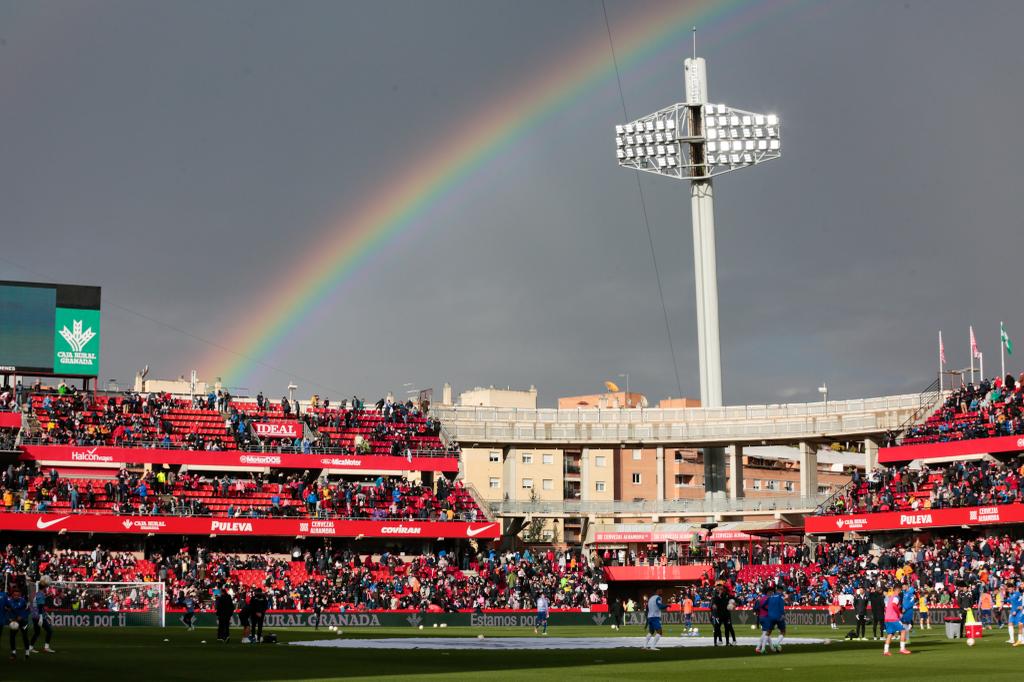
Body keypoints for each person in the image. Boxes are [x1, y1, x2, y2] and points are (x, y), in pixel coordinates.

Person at [755, 585, 786, 654]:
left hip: (765, 617)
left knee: (767, 633)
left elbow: (760, 606)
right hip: (770, 617)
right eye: (771, 591)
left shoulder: (766, 598)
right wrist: (782, 614)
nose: (772, 592)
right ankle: (773, 644)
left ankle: (765, 648)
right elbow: (781, 607)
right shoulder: (779, 597)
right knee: (782, 631)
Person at [883, 588, 911, 656]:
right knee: (903, 631)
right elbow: (894, 605)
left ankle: (886, 651)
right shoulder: (896, 597)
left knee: (890, 634)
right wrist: (899, 613)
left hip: (887, 618)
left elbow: (886, 607)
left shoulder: (890, 598)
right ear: (898, 591)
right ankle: (902, 649)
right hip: (893, 618)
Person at [29, 585, 55, 653]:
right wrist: (41, 617)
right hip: (38, 616)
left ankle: (30, 647)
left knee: (37, 633)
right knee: (49, 631)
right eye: (46, 587)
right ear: (44, 588)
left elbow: (39, 606)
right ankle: (46, 647)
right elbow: (40, 606)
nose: (47, 589)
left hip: (34, 615)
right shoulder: (41, 594)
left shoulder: (36, 594)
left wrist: (46, 615)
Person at [6, 587, 30, 660]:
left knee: (25, 636)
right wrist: (10, 619)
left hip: (23, 622)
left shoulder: (23, 601)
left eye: (17, 595)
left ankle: (27, 652)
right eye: (15, 595)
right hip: (14, 622)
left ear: (19, 595)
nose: (16, 596)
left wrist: (22, 616)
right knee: (12, 636)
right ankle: (13, 653)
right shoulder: (9, 601)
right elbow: (8, 611)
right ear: (12, 595)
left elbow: (28, 610)